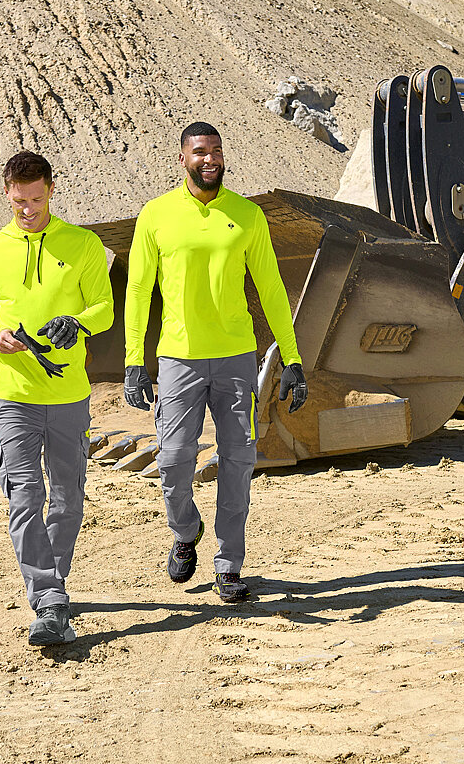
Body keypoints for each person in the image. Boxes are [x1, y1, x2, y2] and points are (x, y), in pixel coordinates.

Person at [123, 122, 308, 603]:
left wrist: (292, 358)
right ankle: (185, 531)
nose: (211, 159)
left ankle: (229, 564)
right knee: (174, 459)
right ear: (183, 158)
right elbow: (139, 290)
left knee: (238, 460)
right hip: (178, 359)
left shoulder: (246, 215)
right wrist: (132, 360)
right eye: (201, 152)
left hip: (235, 359)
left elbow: (270, 287)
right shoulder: (156, 215)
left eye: (218, 151)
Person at [0, 151, 113, 645]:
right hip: (11, 395)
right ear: (7, 193)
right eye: (18, 200)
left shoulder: (84, 244)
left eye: (35, 198)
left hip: (69, 395)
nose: (26, 208)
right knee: (25, 498)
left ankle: (53, 581)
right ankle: (49, 597)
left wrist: (79, 323)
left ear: (51, 189)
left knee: (68, 501)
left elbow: (105, 309)